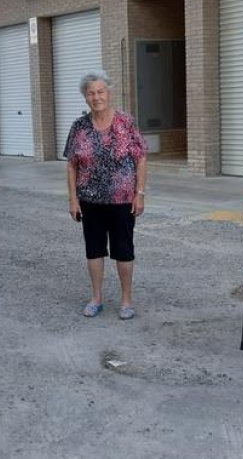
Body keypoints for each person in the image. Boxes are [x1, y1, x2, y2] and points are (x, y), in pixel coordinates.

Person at [64, 70, 148, 320]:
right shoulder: (79, 126)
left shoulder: (125, 122)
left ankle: (126, 300)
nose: (96, 97)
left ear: (109, 93)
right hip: (90, 200)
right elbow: (71, 164)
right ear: (85, 97)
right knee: (94, 250)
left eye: (100, 91)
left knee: (123, 249)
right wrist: (73, 199)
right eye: (91, 93)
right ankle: (97, 297)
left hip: (122, 200)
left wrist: (139, 193)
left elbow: (141, 157)